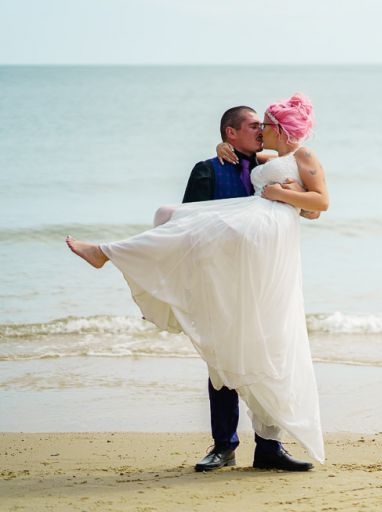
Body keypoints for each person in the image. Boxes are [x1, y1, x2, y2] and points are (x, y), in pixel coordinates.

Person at [66, 93, 328, 471]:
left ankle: (270, 448)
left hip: (261, 274)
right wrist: (174, 288)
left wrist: (287, 195)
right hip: (219, 280)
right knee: (221, 364)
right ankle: (224, 446)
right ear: (230, 133)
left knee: (268, 352)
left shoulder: (268, 161)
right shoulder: (209, 168)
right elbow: (186, 228)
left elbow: (311, 205)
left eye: (264, 125)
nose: (261, 130)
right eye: (253, 126)